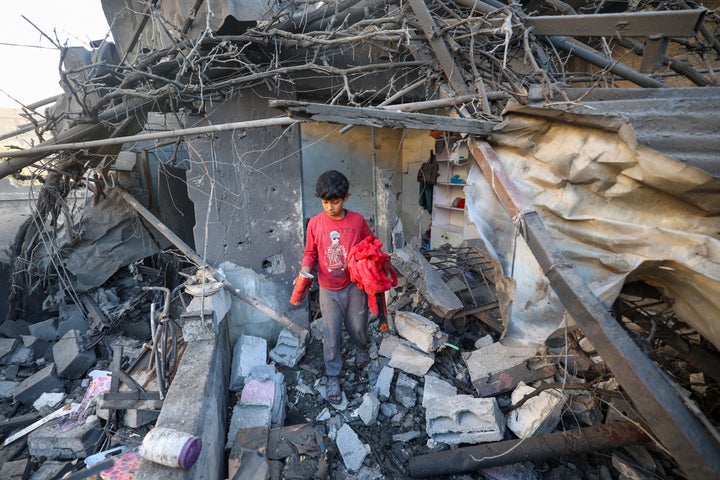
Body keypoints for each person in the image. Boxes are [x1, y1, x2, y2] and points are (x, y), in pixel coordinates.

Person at [300, 170, 373, 404]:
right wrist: (304, 270)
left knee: (358, 325)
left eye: (335, 201)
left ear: (346, 198)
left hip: (354, 285)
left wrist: (374, 265)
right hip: (328, 288)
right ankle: (333, 375)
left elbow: (369, 245)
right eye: (325, 202)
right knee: (331, 334)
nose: (330, 207)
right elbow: (310, 252)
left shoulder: (358, 221)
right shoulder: (315, 223)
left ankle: (361, 348)